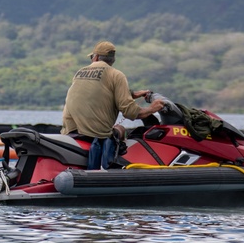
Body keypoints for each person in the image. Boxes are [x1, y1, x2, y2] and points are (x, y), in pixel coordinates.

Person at [61, 40, 166, 169]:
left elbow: (99, 93)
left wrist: (133, 94)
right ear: (112, 60)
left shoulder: (79, 72)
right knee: (120, 130)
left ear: (96, 57)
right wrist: (152, 108)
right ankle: (113, 164)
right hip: (94, 136)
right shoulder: (116, 75)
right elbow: (131, 112)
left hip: (69, 131)